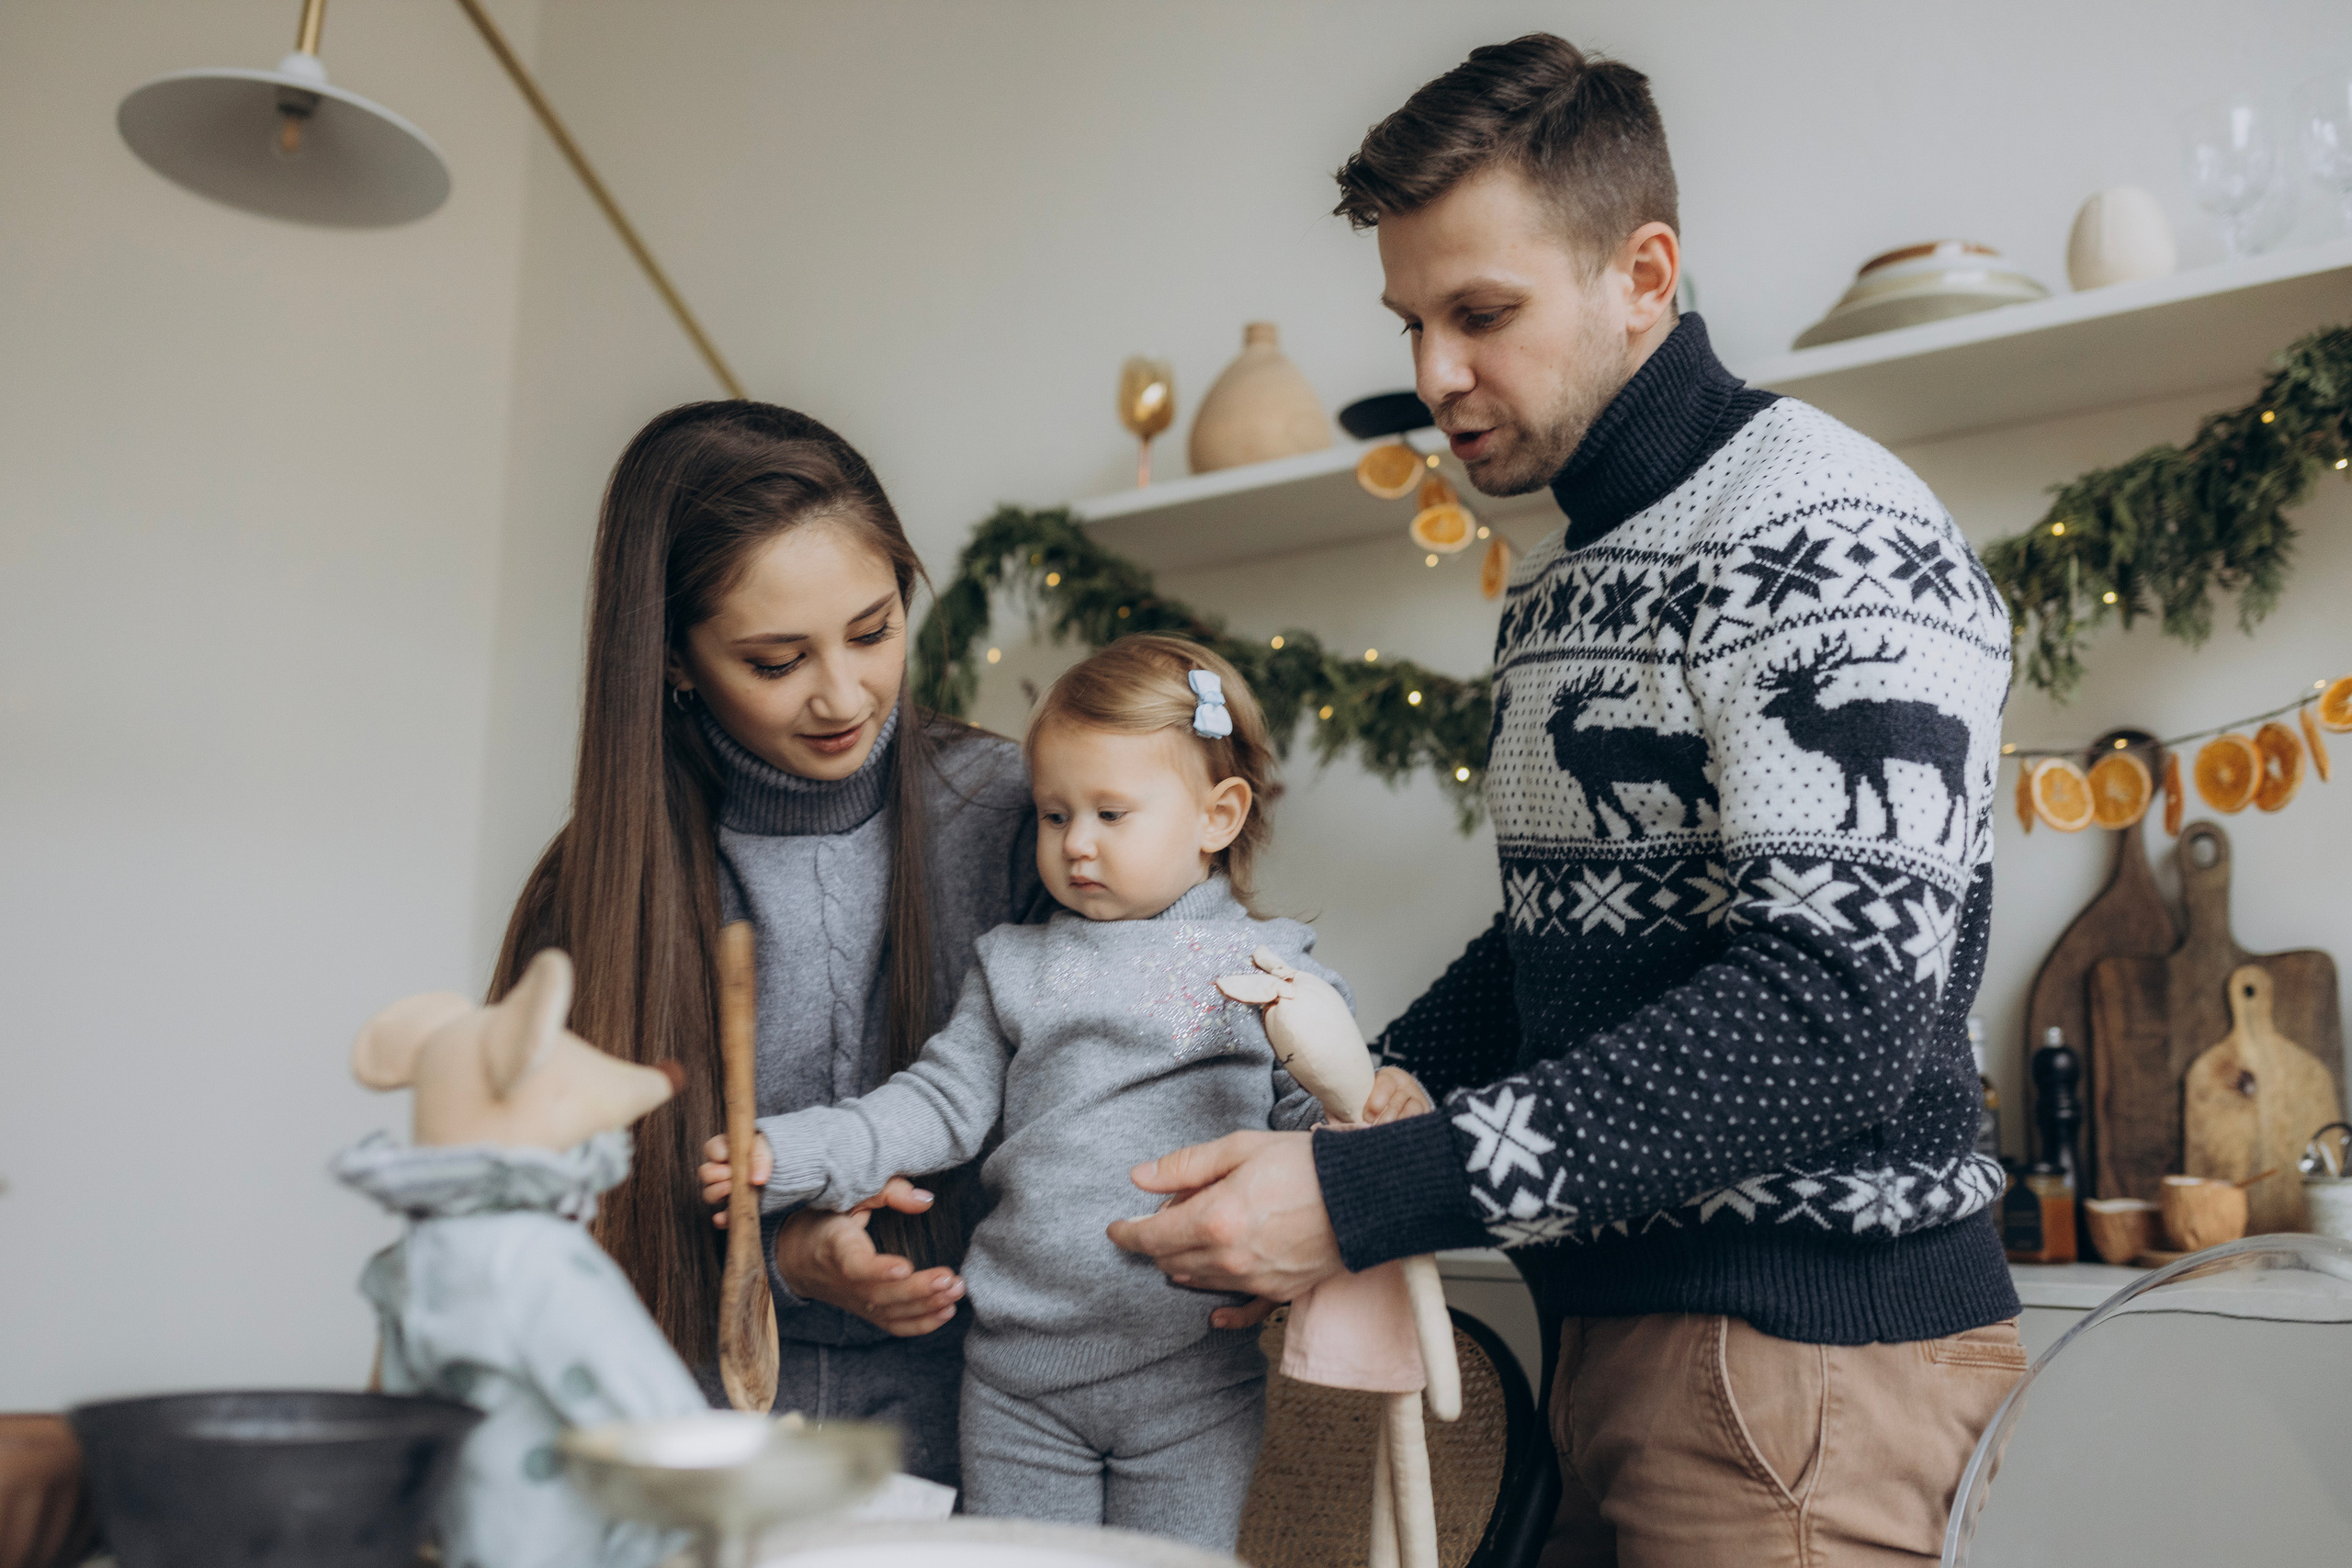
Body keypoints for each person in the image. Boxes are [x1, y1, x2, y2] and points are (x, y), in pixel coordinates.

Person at [1110, 35, 2024, 1566]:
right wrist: (1348, 1091)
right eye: (1411, 321)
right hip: (1633, 1350)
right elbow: (1573, 945)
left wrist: (1371, 1189)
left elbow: (1832, 1015)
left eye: (1482, 314)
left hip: (1804, 1371)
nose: (1431, 379)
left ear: (1643, 274)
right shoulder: (1568, 576)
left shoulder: (1828, 525)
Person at [704, 637, 1428, 1551]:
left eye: (1111, 814)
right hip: (1015, 1381)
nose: (1075, 844)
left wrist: (1375, 1113)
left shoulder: (1266, 967)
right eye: (1052, 815)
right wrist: (796, 1153)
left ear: (1219, 815)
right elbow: (936, 1102)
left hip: (1192, 1380)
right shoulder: (1013, 964)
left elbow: (1311, 1120)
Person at [492, 400, 1052, 1486]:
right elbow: (537, 1255)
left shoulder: (1024, 818)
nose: (843, 696)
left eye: (875, 630)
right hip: (685, 1461)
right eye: (775, 659)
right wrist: (783, 1263)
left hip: (991, 1442)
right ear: (671, 661)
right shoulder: (596, 892)